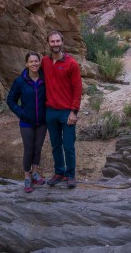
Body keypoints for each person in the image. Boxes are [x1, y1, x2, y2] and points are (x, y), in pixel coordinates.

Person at [42, 30, 83, 188]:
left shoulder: (71, 63)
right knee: (55, 145)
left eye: (57, 41)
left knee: (68, 145)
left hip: (67, 112)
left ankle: (70, 174)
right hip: (50, 111)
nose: (55, 44)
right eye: (52, 42)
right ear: (48, 43)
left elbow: (77, 89)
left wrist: (74, 111)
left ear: (62, 42)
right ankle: (59, 172)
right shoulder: (45, 62)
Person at [7, 52, 47, 193]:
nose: (34, 64)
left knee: (38, 148)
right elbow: (10, 101)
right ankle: (27, 178)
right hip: (26, 123)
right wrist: (22, 113)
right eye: (31, 61)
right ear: (26, 64)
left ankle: (35, 174)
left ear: (39, 62)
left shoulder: (44, 79)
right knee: (28, 150)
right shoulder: (20, 81)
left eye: (36, 61)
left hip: (42, 121)